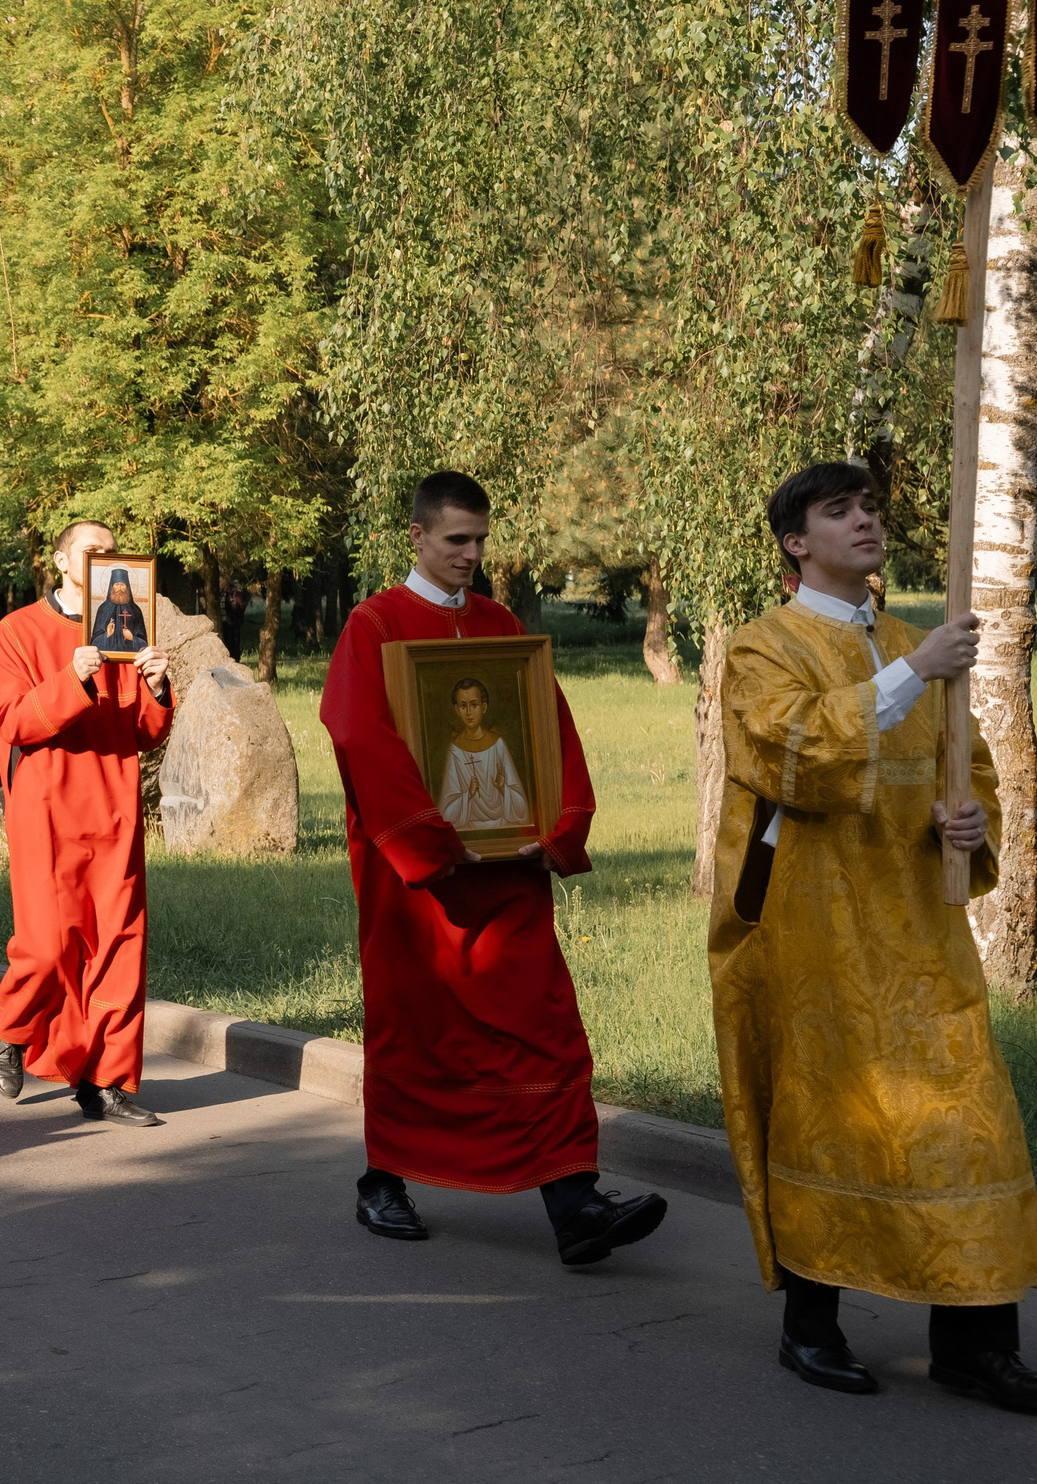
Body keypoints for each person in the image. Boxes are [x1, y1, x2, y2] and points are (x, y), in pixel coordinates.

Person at [709, 461, 1037, 1407]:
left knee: (967, 1118)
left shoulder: (912, 641)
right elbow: (789, 751)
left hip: (918, 926)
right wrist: (914, 672)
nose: (865, 521)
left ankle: (975, 1339)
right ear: (794, 541)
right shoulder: (763, 646)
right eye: (838, 510)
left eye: (872, 508)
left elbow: (963, 765)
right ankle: (811, 1325)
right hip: (818, 926)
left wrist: (965, 820)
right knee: (833, 1114)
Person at [320, 471, 664, 1263]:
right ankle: (384, 1179)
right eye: (456, 541)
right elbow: (359, 737)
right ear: (417, 536)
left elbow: (550, 728)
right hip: (420, 887)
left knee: (540, 1025)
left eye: (480, 539)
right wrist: (435, 843)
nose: (472, 554)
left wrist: (558, 825)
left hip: (509, 876)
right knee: (420, 1030)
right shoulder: (374, 625)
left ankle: (575, 1200)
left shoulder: (501, 624)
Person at [0, 521, 176, 1125]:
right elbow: (12, 720)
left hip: (114, 804)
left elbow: (144, 731)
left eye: (111, 550)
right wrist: (72, 678)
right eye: (92, 550)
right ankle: (11, 1031)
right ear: (63, 561)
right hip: (46, 809)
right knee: (46, 946)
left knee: (119, 946)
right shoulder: (19, 629)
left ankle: (108, 1082)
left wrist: (156, 685)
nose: (104, 558)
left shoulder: (126, 628)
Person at [435, 678, 530, 829]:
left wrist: (503, 788)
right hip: (469, 829)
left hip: (502, 824)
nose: (469, 712)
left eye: (474, 705)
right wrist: (468, 794)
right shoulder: (455, 750)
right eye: (463, 706)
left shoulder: (497, 745)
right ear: (456, 710)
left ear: (484, 707)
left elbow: (522, 807)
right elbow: (446, 813)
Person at [89, 568, 148, 653]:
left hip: (131, 662)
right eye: (116, 584)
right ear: (111, 586)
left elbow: (145, 645)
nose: (119, 588)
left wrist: (132, 638)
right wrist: (107, 635)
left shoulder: (135, 610)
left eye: (122, 584)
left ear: (127, 587)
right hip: (107, 661)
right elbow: (94, 643)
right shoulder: (103, 609)